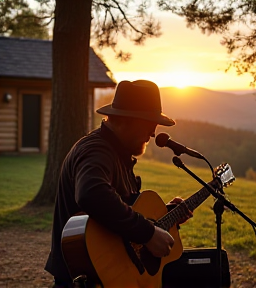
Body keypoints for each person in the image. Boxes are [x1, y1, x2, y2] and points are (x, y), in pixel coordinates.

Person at [45, 80, 193, 288]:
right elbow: (91, 193)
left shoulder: (116, 153)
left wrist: (166, 216)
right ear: (127, 120)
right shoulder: (96, 151)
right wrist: (148, 233)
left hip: (106, 274)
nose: (152, 133)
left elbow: (119, 211)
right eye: (149, 123)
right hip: (83, 277)